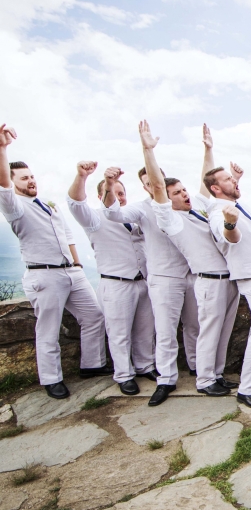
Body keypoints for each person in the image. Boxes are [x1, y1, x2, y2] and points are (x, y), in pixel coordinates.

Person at [0, 125, 109, 399]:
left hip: (71, 273)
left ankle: (92, 365)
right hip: (43, 276)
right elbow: (3, 187)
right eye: (24, 178)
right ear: (14, 182)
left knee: (94, 316)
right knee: (47, 329)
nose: (30, 180)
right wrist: (2, 148)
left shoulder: (48, 204)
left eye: (32, 176)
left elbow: (68, 234)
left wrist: (76, 264)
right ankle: (51, 379)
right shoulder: (15, 207)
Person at [139, 121, 240, 401]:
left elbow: (205, 185)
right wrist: (148, 150)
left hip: (228, 279)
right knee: (207, 332)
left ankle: (217, 374)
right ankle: (205, 379)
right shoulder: (170, 219)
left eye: (184, 190)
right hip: (207, 280)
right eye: (177, 193)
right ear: (164, 199)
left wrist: (209, 149)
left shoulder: (196, 211)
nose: (184, 195)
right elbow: (158, 185)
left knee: (222, 331)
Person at [103, 151, 200, 407]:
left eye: (156, 178)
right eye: (147, 182)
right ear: (145, 186)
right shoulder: (142, 209)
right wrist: (110, 186)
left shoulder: (182, 202)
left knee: (194, 326)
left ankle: (197, 366)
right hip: (164, 278)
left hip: (191, 274)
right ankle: (166, 379)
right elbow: (114, 215)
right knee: (165, 332)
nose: (153, 184)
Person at [67, 160, 156, 395]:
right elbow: (75, 203)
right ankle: (124, 374)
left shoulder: (135, 217)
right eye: (114, 193)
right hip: (116, 284)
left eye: (122, 193)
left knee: (145, 329)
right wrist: (82, 176)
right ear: (102, 195)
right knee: (119, 333)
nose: (120, 197)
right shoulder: (94, 219)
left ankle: (145, 365)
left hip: (142, 281)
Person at [205, 150, 251, 410]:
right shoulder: (219, 213)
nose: (234, 182)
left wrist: (234, 179)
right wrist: (229, 224)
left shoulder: (234, 205)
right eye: (227, 180)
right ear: (215, 188)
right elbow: (229, 237)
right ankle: (248, 389)